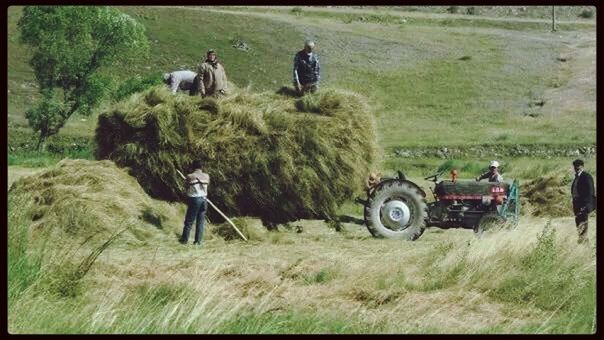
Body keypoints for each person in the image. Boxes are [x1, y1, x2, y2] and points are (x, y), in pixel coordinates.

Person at [179, 160, 210, 246]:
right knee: (200, 222)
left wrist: (186, 181)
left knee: (189, 221)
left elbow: (186, 187)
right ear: (201, 167)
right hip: (204, 200)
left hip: (195, 200)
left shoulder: (190, 176)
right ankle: (198, 242)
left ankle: (184, 240)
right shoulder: (207, 176)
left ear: (193, 167)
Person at [571, 159, 596, 244]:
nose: (576, 168)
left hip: (583, 205)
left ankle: (584, 243)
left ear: (582, 166)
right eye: (575, 166)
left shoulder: (586, 176)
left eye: (578, 166)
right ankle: (582, 241)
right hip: (576, 203)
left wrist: (585, 206)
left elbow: (591, 192)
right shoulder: (576, 177)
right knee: (578, 223)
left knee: (583, 224)